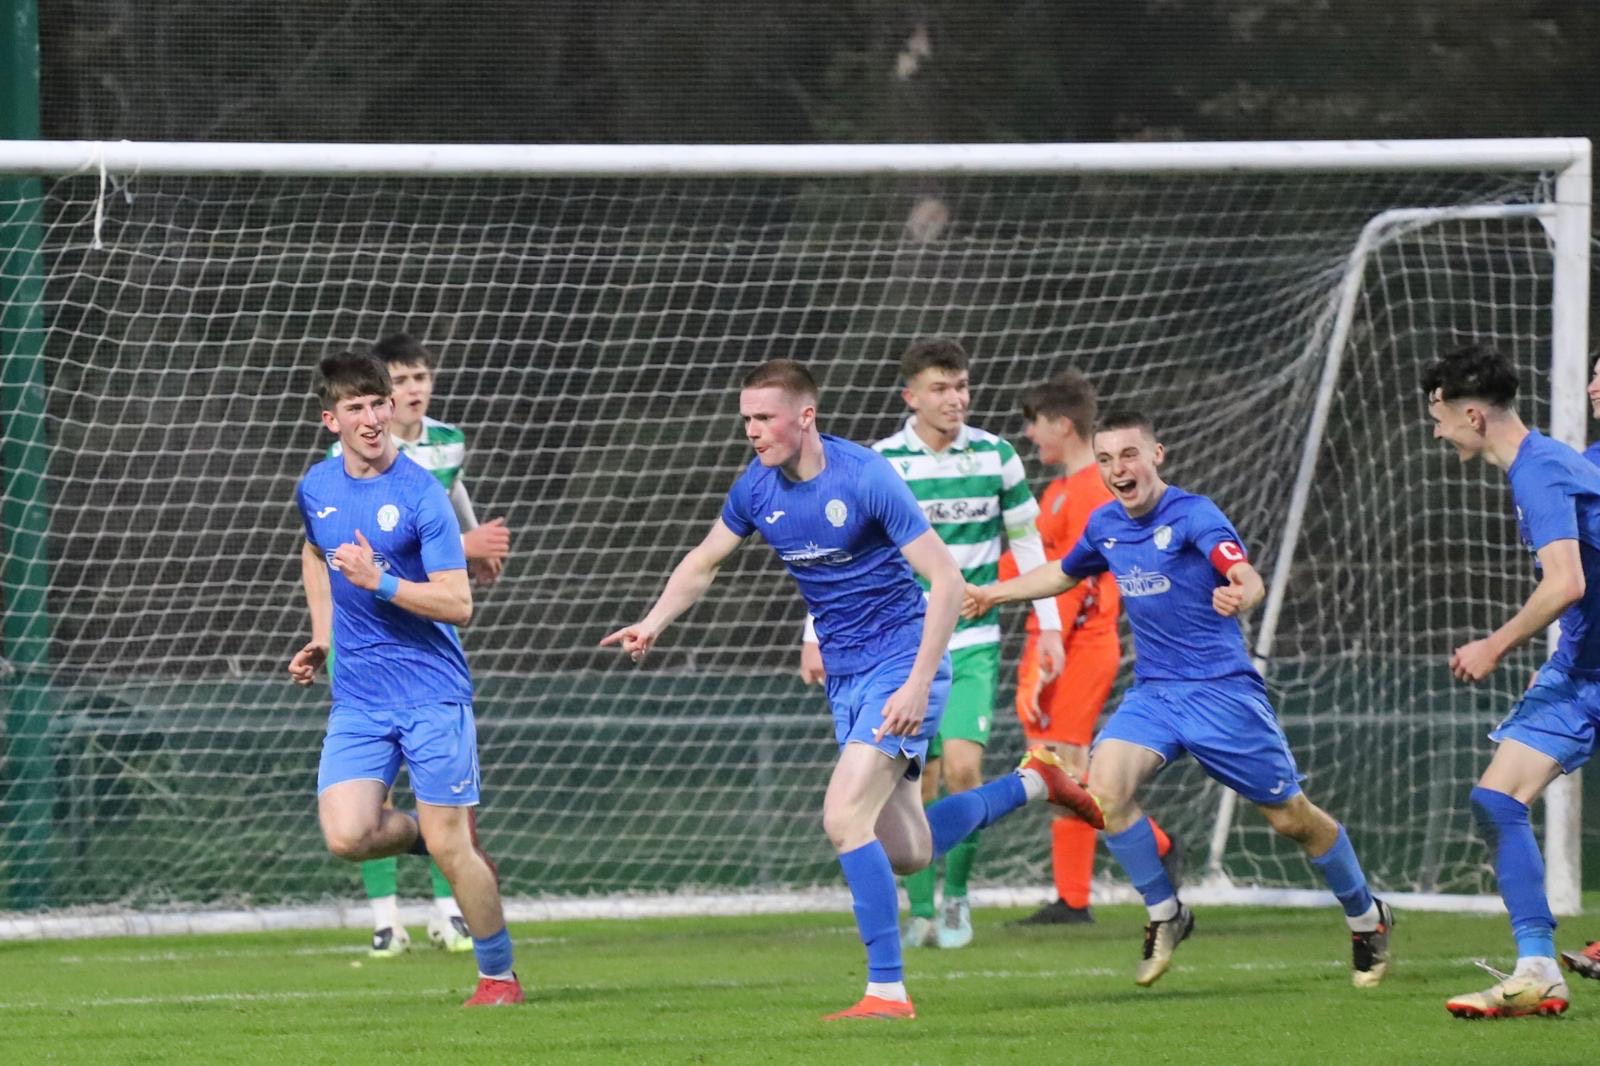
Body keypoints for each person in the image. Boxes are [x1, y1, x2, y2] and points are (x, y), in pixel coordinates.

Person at [602, 358, 1102, 1021]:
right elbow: (703, 561)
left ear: (804, 416)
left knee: (842, 817)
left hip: (903, 663)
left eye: (764, 417)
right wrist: (653, 622)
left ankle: (887, 992)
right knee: (909, 851)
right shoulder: (756, 488)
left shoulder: (864, 476)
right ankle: (1037, 781)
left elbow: (947, 582)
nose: (752, 430)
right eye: (746, 418)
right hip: (848, 677)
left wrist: (921, 684)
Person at [965, 409, 1393, 989]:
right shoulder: (1105, 525)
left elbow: (1240, 570)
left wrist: (1244, 590)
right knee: (1104, 792)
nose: (1120, 468)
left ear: (1157, 455)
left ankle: (1366, 917)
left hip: (1223, 694)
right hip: (1155, 695)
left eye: (1130, 455)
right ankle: (1167, 913)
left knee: (1292, 819)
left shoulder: (1193, 514)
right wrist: (994, 593)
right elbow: (1063, 574)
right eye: (1108, 458)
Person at [801, 337, 1064, 950]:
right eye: (941, 388)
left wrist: (1047, 626)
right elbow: (838, 557)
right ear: (910, 396)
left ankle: (956, 901)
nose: (956, 399)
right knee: (911, 789)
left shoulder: (997, 456)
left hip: (970, 639)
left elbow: (1027, 544)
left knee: (964, 767)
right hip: (895, 642)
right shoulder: (880, 462)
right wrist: (813, 633)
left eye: (962, 386)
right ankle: (919, 908)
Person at [289, 350, 521, 1007]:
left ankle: (498, 978)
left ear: (391, 409)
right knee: (346, 836)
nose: (370, 418)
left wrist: (380, 582)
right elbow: (313, 551)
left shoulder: (421, 493)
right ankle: (437, 840)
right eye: (355, 408)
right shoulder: (316, 488)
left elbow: (459, 605)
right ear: (330, 419)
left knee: (456, 851)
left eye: (378, 404)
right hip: (359, 696)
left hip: (430, 692)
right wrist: (322, 633)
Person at [1421, 344, 1599, 1018]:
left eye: (1438, 417)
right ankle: (1537, 971)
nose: (1436, 430)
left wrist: (1493, 645)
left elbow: (1566, 582)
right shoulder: (1553, 463)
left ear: (1471, 413)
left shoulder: (1539, 472)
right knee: (1498, 800)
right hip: (1582, 671)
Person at [998, 371, 1179, 926]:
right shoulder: (1055, 494)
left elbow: (1080, 579)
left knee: (1068, 769)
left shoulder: (1093, 495)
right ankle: (1074, 895)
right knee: (1055, 772)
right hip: (1053, 644)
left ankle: (1148, 856)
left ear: (1062, 423)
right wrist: (974, 574)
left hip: (1079, 645)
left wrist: (1055, 638)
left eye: (1035, 422)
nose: (1030, 435)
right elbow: (1039, 566)